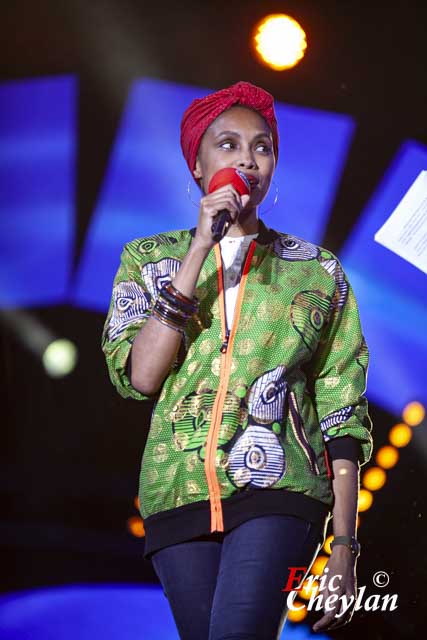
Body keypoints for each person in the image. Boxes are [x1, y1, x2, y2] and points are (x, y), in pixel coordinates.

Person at [101, 80, 373, 639]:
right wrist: (199, 249)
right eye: (228, 145)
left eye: (262, 147)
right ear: (197, 168)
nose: (248, 160)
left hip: (282, 487)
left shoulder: (317, 271)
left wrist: (342, 548)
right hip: (176, 496)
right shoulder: (149, 259)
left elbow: (342, 411)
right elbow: (142, 375)